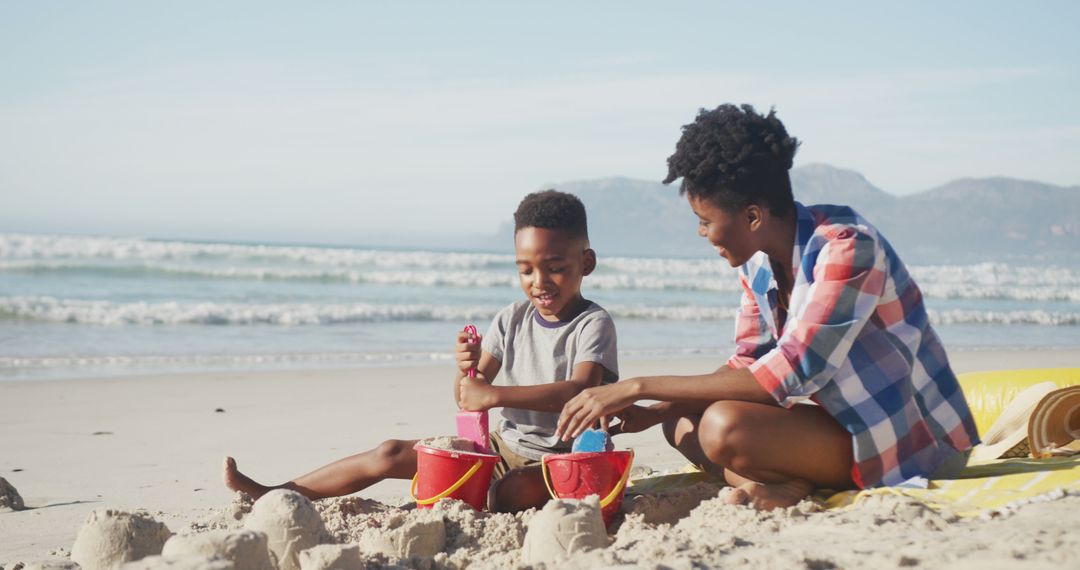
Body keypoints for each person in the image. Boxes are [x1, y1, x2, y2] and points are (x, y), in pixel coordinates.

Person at [556, 104, 980, 510]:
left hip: (905, 440)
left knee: (721, 426)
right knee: (680, 423)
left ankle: (786, 481)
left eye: (705, 220)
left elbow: (788, 373)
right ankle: (775, 484)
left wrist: (636, 386)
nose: (701, 233)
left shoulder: (848, 249)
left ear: (753, 216)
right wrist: (652, 413)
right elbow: (746, 364)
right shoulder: (759, 264)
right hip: (836, 422)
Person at [224, 189, 619, 512]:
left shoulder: (592, 323)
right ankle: (279, 492)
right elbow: (468, 398)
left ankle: (472, 495)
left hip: (558, 460)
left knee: (509, 493)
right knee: (390, 451)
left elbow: (579, 392)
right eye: (526, 269)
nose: (539, 281)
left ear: (586, 262)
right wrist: (468, 372)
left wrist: (493, 394)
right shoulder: (511, 318)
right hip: (500, 448)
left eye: (555, 267)